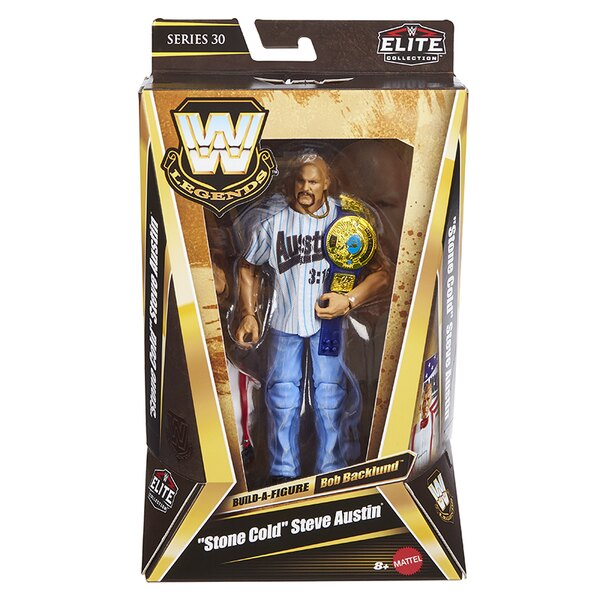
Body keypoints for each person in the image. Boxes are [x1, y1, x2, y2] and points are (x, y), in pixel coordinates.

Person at [234, 153, 390, 483]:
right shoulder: (273, 221)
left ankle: (331, 468)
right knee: (282, 397)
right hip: (283, 323)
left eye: (314, 181)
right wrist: (248, 313)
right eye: (301, 181)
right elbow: (247, 267)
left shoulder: (347, 223)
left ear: (327, 184)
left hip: (329, 326)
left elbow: (381, 275)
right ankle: (283, 473)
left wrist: (349, 300)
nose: (306, 188)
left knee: (330, 397)